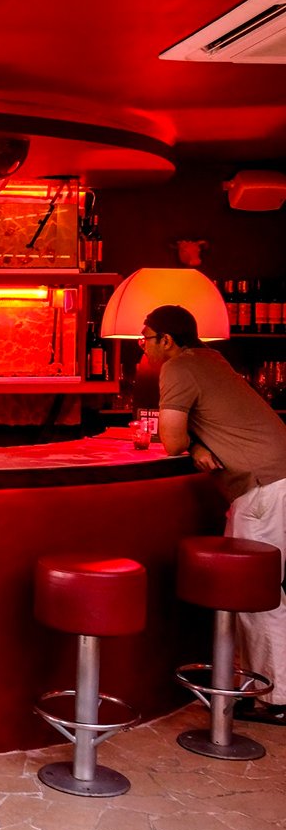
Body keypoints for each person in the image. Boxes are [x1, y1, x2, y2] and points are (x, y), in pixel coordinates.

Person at [141, 303, 286, 723]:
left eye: (146, 339)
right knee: (262, 592)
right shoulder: (211, 358)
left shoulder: (178, 367)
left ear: (167, 340)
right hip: (276, 479)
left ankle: (276, 699)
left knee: (257, 595)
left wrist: (190, 444)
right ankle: (259, 689)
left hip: (263, 486)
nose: (142, 347)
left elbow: (170, 441)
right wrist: (200, 444)